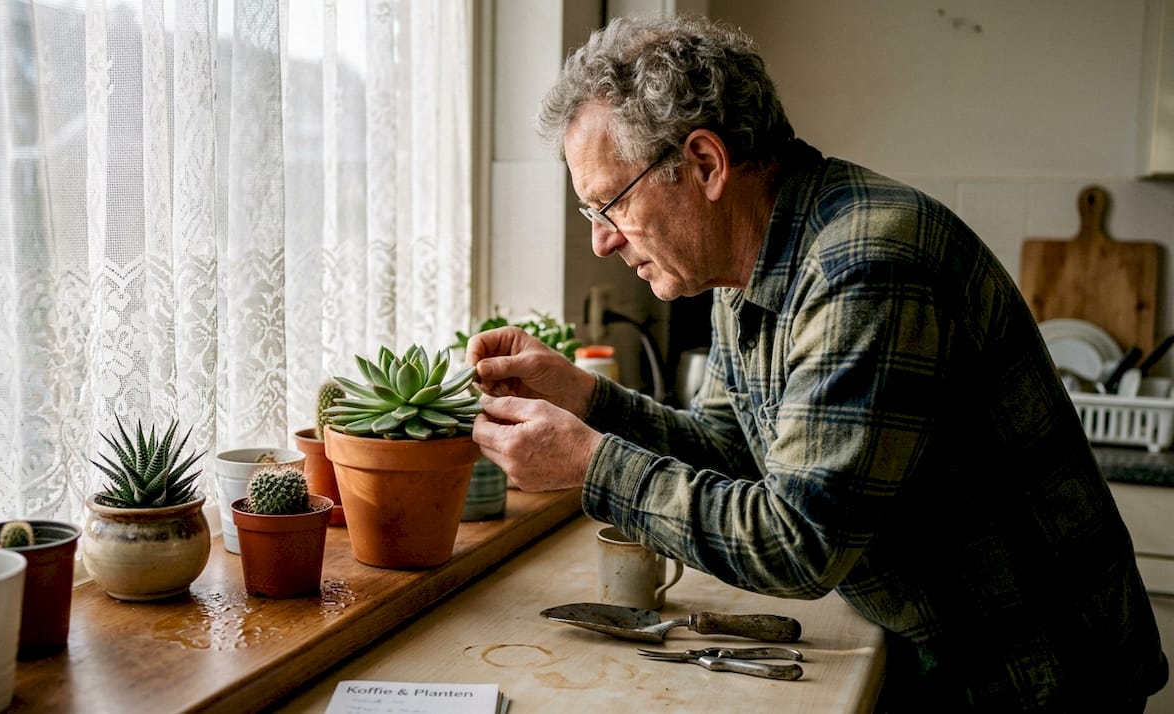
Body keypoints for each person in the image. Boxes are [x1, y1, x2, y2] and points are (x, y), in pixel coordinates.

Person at [466, 14, 1168, 712]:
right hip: (946, 647)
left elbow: (797, 543)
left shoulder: (865, 264)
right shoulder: (744, 270)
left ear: (705, 164)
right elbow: (732, 454)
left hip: (1034, 677)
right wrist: (585, 399)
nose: (601, 243)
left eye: (608, 204)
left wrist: (590, 463)